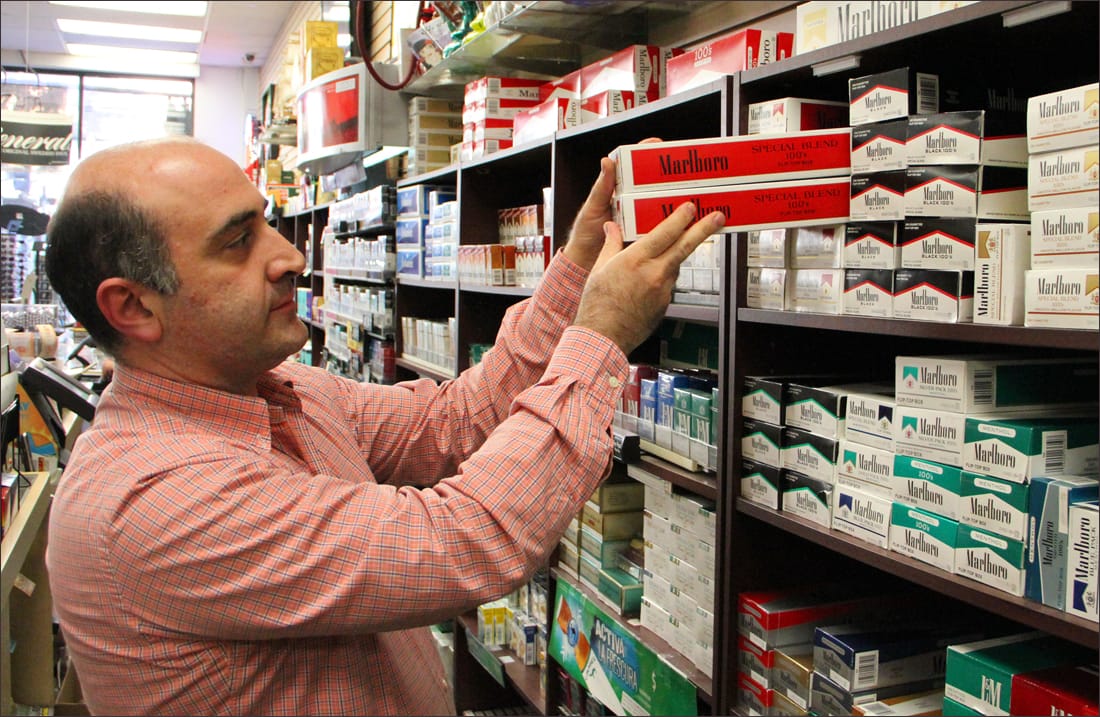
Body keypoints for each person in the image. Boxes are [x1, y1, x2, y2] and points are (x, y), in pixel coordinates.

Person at [44, 136, 724, 716]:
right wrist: (601, 335)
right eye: (237, 242)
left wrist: (578, 266)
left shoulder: (285, 392)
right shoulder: (154, 498)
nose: (289, 256)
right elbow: (464, 539)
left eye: (267, 222)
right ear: (132, 307)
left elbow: (461, 418)